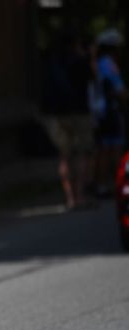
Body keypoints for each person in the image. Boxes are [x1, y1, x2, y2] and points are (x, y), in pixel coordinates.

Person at [43, 33, 96, 210]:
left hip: (59, 114)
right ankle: (80, 195)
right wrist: (90, 57)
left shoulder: (53, 62)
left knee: (64, 157)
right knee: (81, 154)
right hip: (79, 112)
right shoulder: (79, 61)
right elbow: (94, 78)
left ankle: (70, 198)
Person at [92, 28, 127, 197]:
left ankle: (101, 184)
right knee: (113, 148)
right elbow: (120, 91)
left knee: (102, 148)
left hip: (99, 112)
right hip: (110, 111)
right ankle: (115, 184)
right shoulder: (109, 64)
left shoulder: (97, 63)